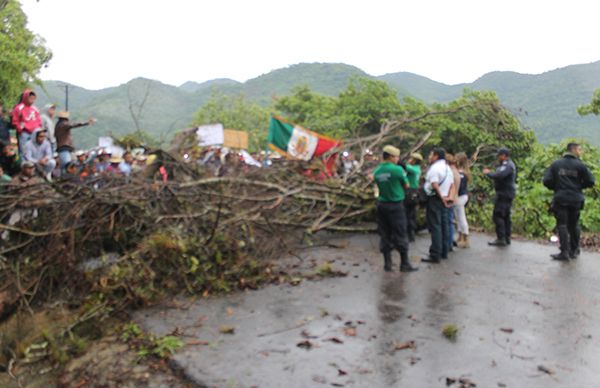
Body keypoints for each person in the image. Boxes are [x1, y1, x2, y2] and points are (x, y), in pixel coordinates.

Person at [543, 143, 595, 261]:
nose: (580, 152)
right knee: (574, 224)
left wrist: (556, 187)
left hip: (561, 199)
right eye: (579, 149)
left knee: (562, 225)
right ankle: (574, 250)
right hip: (576, 199)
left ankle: (564, 252)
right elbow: (591, 181)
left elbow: (546, 180)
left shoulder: (556, 164)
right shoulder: (580, 165)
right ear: (574, 150)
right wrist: (579, 186)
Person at [372, 145, 418, 272]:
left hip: (382, 205)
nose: (398, 159)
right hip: (396, 205)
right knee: (400, 233)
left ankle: (387, 263)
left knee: (385, 233)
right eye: (397, 156)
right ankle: (404, 264)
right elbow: (407, 185)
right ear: (391, 157)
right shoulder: (397, 170)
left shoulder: (377, 171)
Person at [422, 147, 454, 263]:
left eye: (431, 155)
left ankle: (435, 254)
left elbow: (434, 184)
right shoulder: (447, 168)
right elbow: (451, 184)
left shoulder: (435, 168)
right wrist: (448, 198)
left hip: (436, 199)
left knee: (435, 226)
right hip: (445, 198)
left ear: (436, 156)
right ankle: (444, 252)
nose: (430, 157)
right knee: (444, 225)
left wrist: (441, 197)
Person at [484, 147, 517, 247]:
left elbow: (499, 175)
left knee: (498, 215)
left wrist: (488, 173)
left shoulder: (508, 165)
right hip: (505, 193)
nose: (498, 157)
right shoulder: (505, 165)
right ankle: (506, 237)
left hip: (504, 194)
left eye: (499, 155)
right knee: (505, 216)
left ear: (504, 156)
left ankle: (501, 238)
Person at [11, 89, 42, 157]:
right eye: (30, 97)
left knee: (34, 152)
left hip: (34, 133)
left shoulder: (35, 109)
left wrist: (39, 130)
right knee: (24, 152)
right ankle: (23, 166)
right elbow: (15, 120)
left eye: (33, 97)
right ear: (25, 97)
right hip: (24, 133)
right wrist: (20, 129)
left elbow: (39, 121)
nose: (32, 98)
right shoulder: (19, 107)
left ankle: (33, 167)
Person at [404, 152, 423, 242]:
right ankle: (410, 234)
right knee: (411, 214)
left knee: (409, 214)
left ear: (415, 161)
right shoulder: (416, 169)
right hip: (413, 192)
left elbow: (404, 166)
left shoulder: (415, 169)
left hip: (410, 192)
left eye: (411, 159)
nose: (409, 160)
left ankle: (410, 234)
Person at [454, 152, 471, 248]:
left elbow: (459, 187)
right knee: (458, 218)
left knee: (461, 218)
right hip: (461, 196)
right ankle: (460, 236)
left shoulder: (461, 173)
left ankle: (465, 238)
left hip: (460, 196)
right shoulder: (463, 172)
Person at [446, 154, 461, 252]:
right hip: (455, 198)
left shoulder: (451, 172)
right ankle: (450, 241)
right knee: (450, 221)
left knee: (448, 222)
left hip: (451, 198)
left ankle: (449, 242)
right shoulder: (456, 171)